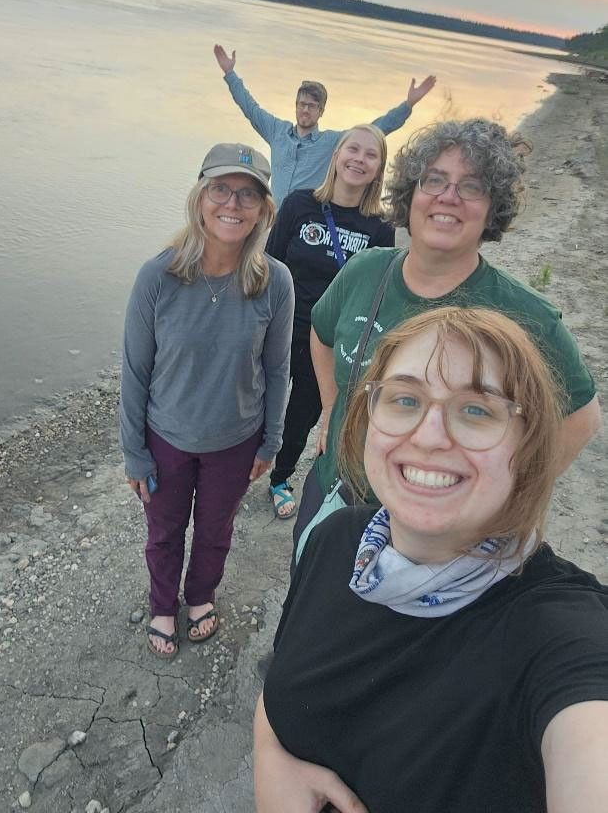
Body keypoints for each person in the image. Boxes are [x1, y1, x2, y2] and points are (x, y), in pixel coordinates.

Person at [255, 307, 608, 813]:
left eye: (477, 410)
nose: (428, 436)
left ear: (528, 448)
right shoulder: (338, 541)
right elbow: (287, 677)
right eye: (405, 399)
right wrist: (270, 752)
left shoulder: (557, 634)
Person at [294, 117, 600, 555]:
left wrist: (506, 498)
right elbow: (322, 334)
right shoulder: (365, 271)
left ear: (492, 209)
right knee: (310, 590)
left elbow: (581, 418)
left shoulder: (522, 314)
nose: (448, 197)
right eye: (434, 180)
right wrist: (330, 408)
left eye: (471, 186)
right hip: (334, 493)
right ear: (411, 194)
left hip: (433, 534)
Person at [120, 143, 294, 658]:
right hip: (166, 438)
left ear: (262, 210)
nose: (232, 204)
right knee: (164, 531)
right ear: (200, 197)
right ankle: (161, 604)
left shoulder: (275, 281)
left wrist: (272, 440)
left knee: (216, 530)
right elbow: (135, 371)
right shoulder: (158, 276)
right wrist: (134, 452)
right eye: (221, 189)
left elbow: (278, 369)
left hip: (236, 441)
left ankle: (200, 596)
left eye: (247, 195)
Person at [265, 124, 394, 518]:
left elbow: (375, 293)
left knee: (302, 415)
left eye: (370, 155)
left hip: (327, 340)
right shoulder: (298, 205)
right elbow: (268, 265)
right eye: (353, 149)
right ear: (336, 155)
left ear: (378, 169)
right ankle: (241, 470)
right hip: (279, 329)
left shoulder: (380, 228)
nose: (359, 159)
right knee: (257, 406)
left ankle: (280, 478)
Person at [213, 44, 436, 206]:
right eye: (302, 104)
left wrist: (408, 105)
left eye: (312, 106)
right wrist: (230, 74)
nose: (305, 110)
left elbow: (375, 129)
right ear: (295, 106)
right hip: (272, 217)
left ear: (321, 111)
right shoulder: (277, 131)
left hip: (305, 219)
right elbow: (250, 108)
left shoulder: (331, 142)